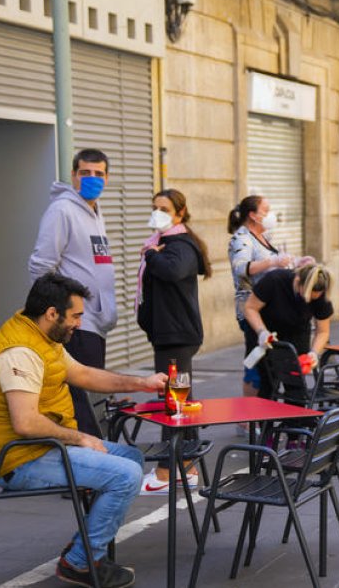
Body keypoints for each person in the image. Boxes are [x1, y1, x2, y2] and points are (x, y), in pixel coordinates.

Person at [0, 273, 167, 588]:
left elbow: (83, 374)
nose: (80, 322)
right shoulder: (20, 352)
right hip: (20, 461)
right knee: (125, 476)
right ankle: (79, 562)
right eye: (76, 315)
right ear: (52, 313)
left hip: (42, 447)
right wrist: (80, 437)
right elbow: (25, 423)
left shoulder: (41, 335)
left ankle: (84, 546)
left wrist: (142, 383)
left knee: (131, 457)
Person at [28, 148, 117, 437]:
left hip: (95, 321)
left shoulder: (93, 211)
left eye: (99, 173)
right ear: (73, 176)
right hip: (76, 322)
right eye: (85, 173)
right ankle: (90, 464)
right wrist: (58, 313)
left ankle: (96, 458)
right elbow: (42, 265)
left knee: (91, 397)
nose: (92, 178)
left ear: (107, 177)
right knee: (83, 399)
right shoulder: (62, 210)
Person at [134, 188, 212, 495]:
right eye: (154, 207)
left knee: (174, 402)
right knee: (180, 401)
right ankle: (186, 468)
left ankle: (169, 472)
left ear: (179, 213)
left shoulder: (179, 245)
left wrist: (153, 255)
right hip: (171, 335)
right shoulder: (167, 243)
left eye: (164, 208)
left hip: (176, 337)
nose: (157, 213)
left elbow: (171, 270)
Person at [227, 195, 294, 400]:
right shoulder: (242, 238)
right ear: (253, 215)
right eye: (266, 210)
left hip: (270, 308)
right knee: (256, 361)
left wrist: (296, 263)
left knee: (269, 363)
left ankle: (265, 411)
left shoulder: (263, 237)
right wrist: (272, 262)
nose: (270, 214)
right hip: (252, 308)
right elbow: (241, 268)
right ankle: (248, 417)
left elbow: (274, 264)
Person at [242, 263, 333, 403]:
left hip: (297, 334)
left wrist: (314, 353)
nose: (307, 301)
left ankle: (295, 422)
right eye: (305, 296)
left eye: (313, 299)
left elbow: (323, 331)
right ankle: (264, 422)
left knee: (296, 387)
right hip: (266, 333)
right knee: (267, 383)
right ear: (297, 281)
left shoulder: (321, 295)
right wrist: (262, 332)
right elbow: (250, 308)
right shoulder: (274, 280)